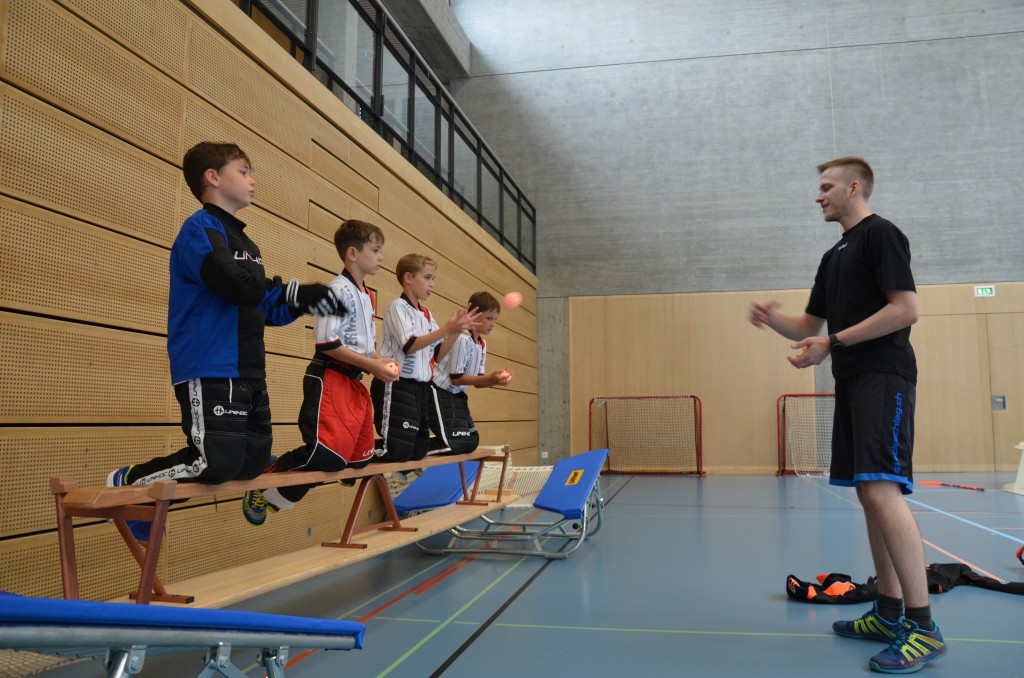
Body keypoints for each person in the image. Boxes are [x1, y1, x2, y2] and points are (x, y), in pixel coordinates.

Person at [749, 156, 946, 673]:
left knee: (882, 489)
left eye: (826, 187)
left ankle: (923, 629)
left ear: (854, 187)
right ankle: (886, 612)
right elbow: (808, 326)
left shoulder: (882, 236)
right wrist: (773, 321)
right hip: (853, 380)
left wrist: (830, 342)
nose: (818, 196)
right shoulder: (833, 255)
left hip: (886, 376)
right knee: (867, 492)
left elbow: (906, 309)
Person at [107, 142, 344, 496]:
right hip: (211, 365)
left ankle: (145, 505)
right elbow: (232, 282)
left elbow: (259, 306)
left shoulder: (249, 245)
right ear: (213, 177)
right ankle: (126, 483)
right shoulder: (199, 228)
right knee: (215, 463)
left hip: (250, 368)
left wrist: (300, 303)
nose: (252, 181)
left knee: (251, 462)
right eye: (244, 172)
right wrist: (295, 291)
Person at [241, 219, 399, 525]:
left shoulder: (367, 294)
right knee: (327, 457)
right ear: (352, 253)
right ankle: (267, 480)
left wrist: (380, 363)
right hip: (330, 377)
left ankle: (281, 490)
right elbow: (327, 343)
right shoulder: (337, 289)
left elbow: (366, 344)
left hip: (354, 383)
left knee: (359, 461)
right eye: (376, 250)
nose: (381, 257)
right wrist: (373, 365)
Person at [370, 254, 479, 470]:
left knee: (418, 450)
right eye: (428, 277)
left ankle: (396, 463)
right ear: (409, 277)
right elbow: (409, 345)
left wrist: (456, 332)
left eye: (434, 279)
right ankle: (356, 454)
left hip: (420, 389)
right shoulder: (397, 307)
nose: (432, 284)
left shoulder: (427, 315)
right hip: (396, 385)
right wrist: (447, 329)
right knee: (398, 449)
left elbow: (437, 355)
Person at [428, 291, 513, 455]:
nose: (493, 324)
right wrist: (491, 378)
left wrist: (496, 380)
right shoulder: (462, 339)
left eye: (495, 319)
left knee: (471, 441)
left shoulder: (482, 344)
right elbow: (456, 379)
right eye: (489, 318)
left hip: (456, 395)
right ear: (473, 316)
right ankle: (414, 457)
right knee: (455, 443)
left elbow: (477, 382)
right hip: (438, 391)